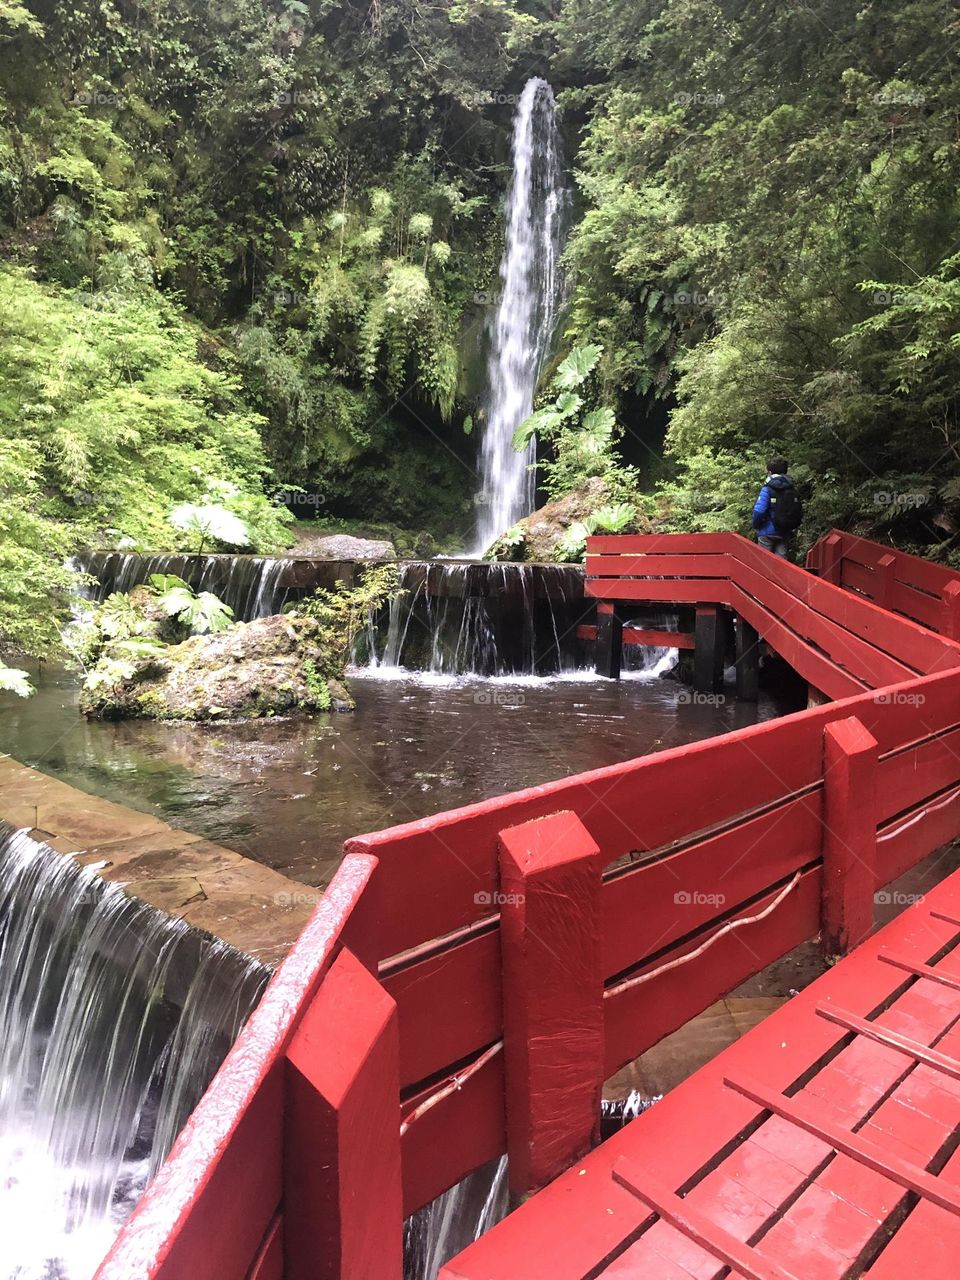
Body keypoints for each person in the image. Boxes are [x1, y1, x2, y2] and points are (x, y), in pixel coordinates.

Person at [752, 456, 803, 556]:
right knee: (781, 563)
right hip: (785, 530)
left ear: (770, 472)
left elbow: (759, 510)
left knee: (765, 563)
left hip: (767, 531)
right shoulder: (791, 487)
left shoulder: (767, 488)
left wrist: (756, 525)